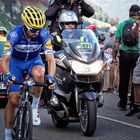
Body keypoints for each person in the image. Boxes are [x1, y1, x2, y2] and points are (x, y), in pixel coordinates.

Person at [1, 6, 56, 140]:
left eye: (39, 29)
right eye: (33, 29)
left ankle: (34, 107)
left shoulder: (43, 34)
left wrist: (51, 77)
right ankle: (8, 134)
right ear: (25, 26)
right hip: (16, 63)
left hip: (33, 60)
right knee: (13, 100)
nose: (36, 32)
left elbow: (50, 60)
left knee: (39, 75)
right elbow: (5, 59)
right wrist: (8, 74)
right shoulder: (14, 34)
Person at [112, 4, 140, 112]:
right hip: (136, 54)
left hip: (124, 54)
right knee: (135, 79)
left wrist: (114, 57)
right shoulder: (138, 25)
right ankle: (134, 103)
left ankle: (123, 103)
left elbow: (116, 43)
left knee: (123, 79)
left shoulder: (122, 25)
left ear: (129, 12)